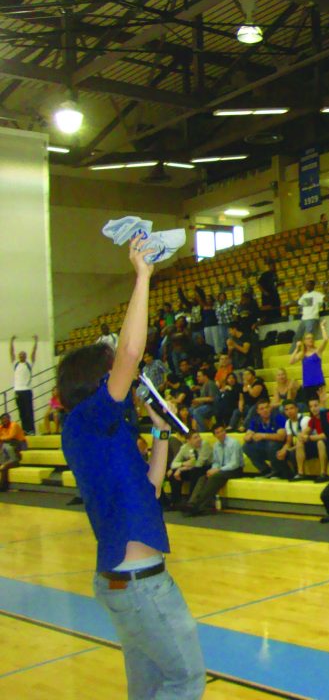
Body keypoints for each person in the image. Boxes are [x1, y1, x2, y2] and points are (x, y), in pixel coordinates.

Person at [57, 236, 205, 699]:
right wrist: (142, 275)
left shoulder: (103, 433)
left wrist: (160, 432)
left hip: (128, 583)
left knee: (148, 686)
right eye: (110, 374)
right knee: (185, 681)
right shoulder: (86, 419)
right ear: (94, 381)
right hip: (142, 586)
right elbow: (128, 354)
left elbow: (150, 489)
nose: (122, 378)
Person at [242, 400, 288, 479]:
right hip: (265, 447)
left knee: (271, 444)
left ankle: (277, 471)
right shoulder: (256, 420)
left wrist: (263, 436)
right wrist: (249, 436)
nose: (265, 410)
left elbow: (281, 437)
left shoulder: (278, 417)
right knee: (247, 447)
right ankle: (265, 471)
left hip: (279, 446)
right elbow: (247, 436)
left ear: (270, 408)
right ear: (258, 411)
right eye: (262, 409)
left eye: (267, 407)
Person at [166, 430, 211, 508]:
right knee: (172, 473)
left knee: (195, 471)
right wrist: (182, 464)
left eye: (199, 436)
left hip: (205, 468)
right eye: (195, 438)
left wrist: (180, 469)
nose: (199, 439)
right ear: (188, 441)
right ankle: (176, 502)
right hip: (191, 468)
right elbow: (173, 464)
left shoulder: (205, 445)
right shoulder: (184, 447)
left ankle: (191, 502)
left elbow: (199, 464)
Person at [290, 322, 329, 404]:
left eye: (311, 338)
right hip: (307, 384)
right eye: (308, 338)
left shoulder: (317, 351)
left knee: (321, 406)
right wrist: (297, 348)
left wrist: (322, 327)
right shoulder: (302, 354)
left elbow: (325, 340)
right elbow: (291, 361)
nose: (310, 340)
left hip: (319, 383)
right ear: (304, 341)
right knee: (310, 408)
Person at [10, 335, 37, 434]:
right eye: (20, 355)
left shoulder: (29, 364)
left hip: (27, 390)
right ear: (18, 356)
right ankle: (25, 429)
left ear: (25, 356)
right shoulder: (16, 364)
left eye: (23, 355)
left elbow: (33, 354)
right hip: (18, 391)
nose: (22, 356)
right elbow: (11, 353)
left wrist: (36, 342)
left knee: (28, 411)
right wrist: (11, 342)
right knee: (21, 412)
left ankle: (31, 429)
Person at [292, 280, 325, 352]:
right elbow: (299, 303)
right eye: (306, 284)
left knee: (308, 338)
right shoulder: (304, 295)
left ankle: (307, 353)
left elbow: (325, 299)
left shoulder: (317, 294)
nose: (306, 286)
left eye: (308, 284)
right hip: (304, 318)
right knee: (297, 336)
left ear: (313, 286)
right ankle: (292, 353)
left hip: (312, 318)